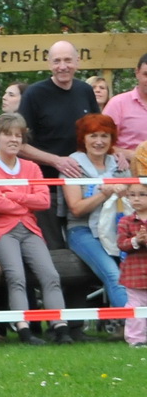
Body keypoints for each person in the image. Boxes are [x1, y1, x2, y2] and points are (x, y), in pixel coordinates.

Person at [0, 115, 66, 345]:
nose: (14, 139)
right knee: (16, 276)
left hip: (29, 228)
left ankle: (59, 326)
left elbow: (44, 201)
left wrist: (14, 195)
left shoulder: (32, 167)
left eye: (18, 135)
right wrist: (26, 199)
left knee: (51, 274)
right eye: (8, 134)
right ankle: (24, 329)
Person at [64, 113, 127, 313]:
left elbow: (137, 199)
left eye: (104, 136)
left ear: (112, 140)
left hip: (120, 230)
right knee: (113, 274)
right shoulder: (72, 167)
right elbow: (76, 208)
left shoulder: (121, 166)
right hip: (82, 231)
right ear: (83, 138)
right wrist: (105, 193)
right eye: (93, 136)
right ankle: (138, 328)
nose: (99, 142)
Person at [102, 52, 147, 167]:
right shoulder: (118, 104)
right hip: (126, 172)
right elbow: (99, 142)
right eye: (146, 74)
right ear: (137, 73)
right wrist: (132, 155)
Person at [116, 184, 147, 348]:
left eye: (142, 194)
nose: (136, 198)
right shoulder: (125, 221)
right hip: (134, 273)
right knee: (135, 307)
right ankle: (136, 340)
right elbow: (121, 244)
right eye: (132, 194)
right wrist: (136, 240)